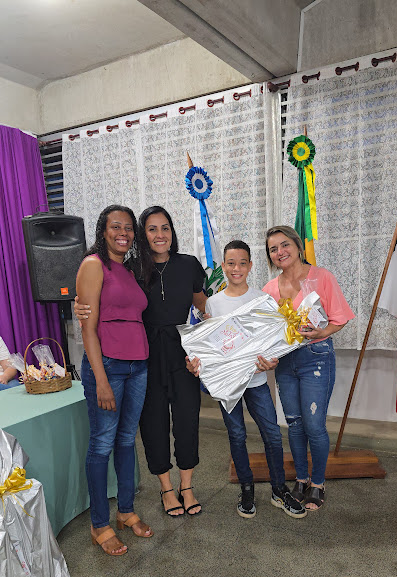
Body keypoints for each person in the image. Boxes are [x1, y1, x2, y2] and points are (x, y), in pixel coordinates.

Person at [75, 206, 206, 518]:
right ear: (142, 235)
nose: (159, 235)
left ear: (172, 232)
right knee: (152, 424)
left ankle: (186, 487)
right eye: (151, 229)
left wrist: (212, 348)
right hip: (145, 354)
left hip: (181, 355)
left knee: (187, 421)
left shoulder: (188, 264)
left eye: (165, 228)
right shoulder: (132, 267)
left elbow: (205, 309)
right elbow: (97, 297)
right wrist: (77, 305)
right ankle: (166, 489)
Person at [186, 241, 306, 520]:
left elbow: (273, 341)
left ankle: (279, 489)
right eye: (231, 263)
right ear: (223, 266)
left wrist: (272, 361)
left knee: (272, 434)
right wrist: (198, 362)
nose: (236, 268)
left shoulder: (261, 299)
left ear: (250, 266)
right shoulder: (212, 303)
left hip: (256, 381)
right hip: (228, 385)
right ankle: (247, 489)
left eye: (242, 263)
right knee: (237, 435)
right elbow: (209, 344)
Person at [76, 205, 153, 556]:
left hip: (138, 365)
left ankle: (125, 510)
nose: (123, 233)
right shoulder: (94, 265)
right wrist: (101, 380)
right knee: (102, 443)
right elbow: (87, 329)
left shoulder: (129, 269)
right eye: (115, 226)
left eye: (128, 228)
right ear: (103, 231)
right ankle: (99, 523)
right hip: (108, 366)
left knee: (125, 440)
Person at [262, 225, 355, 510]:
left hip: (316, 357)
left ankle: (318, 483)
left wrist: (322, 332)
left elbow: (340, 318)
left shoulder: (321, 277)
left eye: (284, 245)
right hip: (285, 361)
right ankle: (301, 479)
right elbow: (266, 332)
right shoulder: (269, 289)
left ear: (298, 246)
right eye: (273, 249)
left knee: (314, 425)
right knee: (294, 423)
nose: (280, 252)